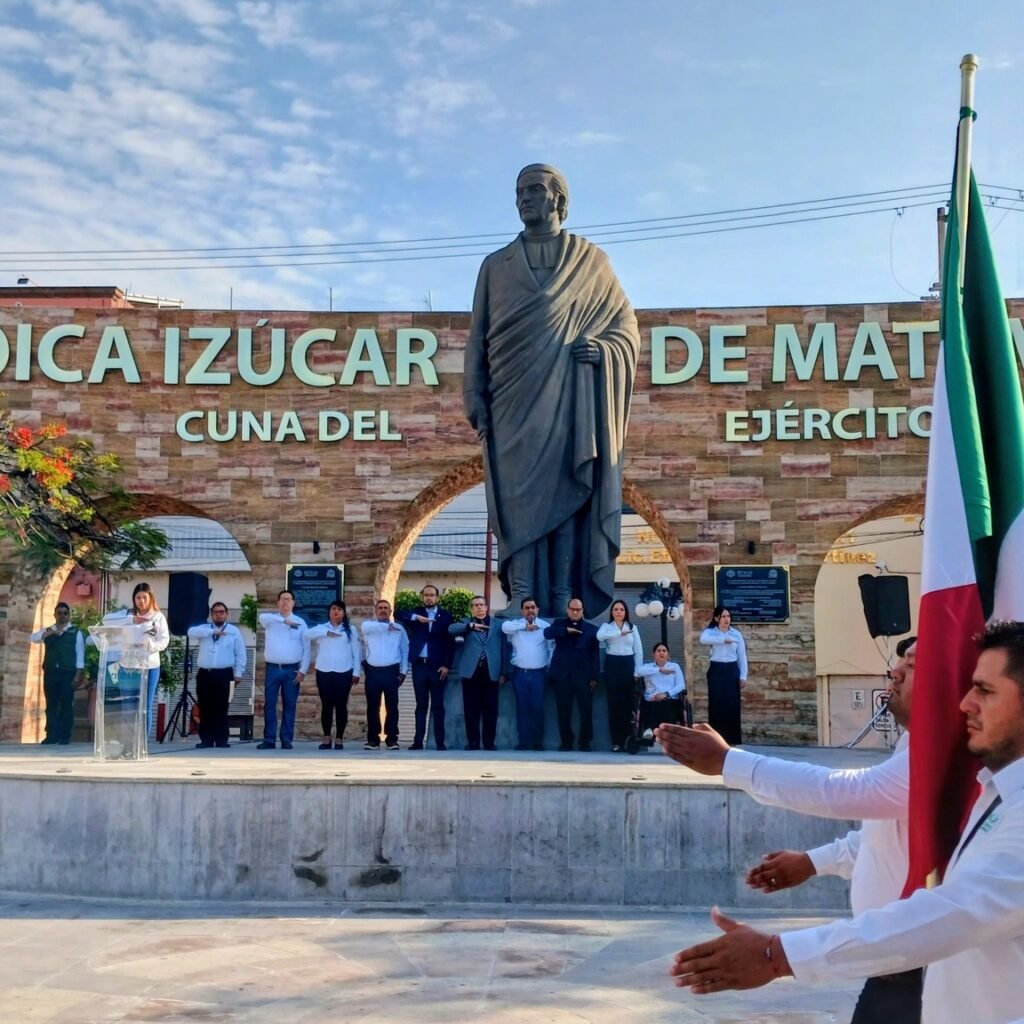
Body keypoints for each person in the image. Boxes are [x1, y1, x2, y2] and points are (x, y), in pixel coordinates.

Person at [666, 622, 1024, 1024]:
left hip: (908, 965)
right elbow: (889, 836)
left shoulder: (972, 778)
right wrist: (815, 862)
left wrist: (778, 954)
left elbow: (957, 910)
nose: (966, 703)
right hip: (903, 968)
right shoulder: (995, 788)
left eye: (985, 690)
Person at [657, 638, 919, 1023]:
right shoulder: (915, 744)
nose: (894, 672)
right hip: (893, 967)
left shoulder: (947, 756)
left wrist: (730, 762)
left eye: (912, 665)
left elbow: (849, 791)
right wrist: (813, 862)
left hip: (918, 971)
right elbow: (887, 832)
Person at [464, 163, 641, 616]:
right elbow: (477, 337)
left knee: (566, 492)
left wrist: (603, 349)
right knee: (518, 499)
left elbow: (625, 327)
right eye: (519, 191)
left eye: (534, 190)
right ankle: (522, 592)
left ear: (558, 200)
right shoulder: (495, 266)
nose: (524, 198)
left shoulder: (591, 262)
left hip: (568, 398)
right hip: (512, 399)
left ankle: (564, 595)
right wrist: (473, 394)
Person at [103, 583, 169, 736]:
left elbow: (164, 641)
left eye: (144, 597)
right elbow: (106, 620)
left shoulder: (157, 617)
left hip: (149, 665)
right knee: (128, 706)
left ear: (150, 598)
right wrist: (132, 620)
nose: (141, 601)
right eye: (138, 598)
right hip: (128, 665)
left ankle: (142, 741)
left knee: (145, 706)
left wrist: (150, 645)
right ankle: (129, 741)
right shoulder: (127, 614)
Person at [396, 585, 456, 751]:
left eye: (432, 595)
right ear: (423, 596)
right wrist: (417, 618)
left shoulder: (445, 615)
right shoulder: (416, 612)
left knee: (438, 705)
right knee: (420, 705)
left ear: (437, 597)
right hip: (419, 666)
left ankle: (439, 742)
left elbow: (450, 642)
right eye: (426, 595)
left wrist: (446, 665)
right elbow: (398, 614)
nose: (429, 598)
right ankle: (418, 741)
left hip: (437, 666)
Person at [449, 595, 507, 751]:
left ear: (487, 607)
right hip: (471, 671)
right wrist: (470, 626)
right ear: (472, 609)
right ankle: (473, 742)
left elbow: (503, 649)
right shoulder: (466, 623)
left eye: (481, 604)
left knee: (491, 709)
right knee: (471, 708)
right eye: (475, 605)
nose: (479, 607)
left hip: (491, 670)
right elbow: (451, 629)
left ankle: (489, 742)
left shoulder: (497, 624)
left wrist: (504, 672)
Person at [302, 600, 362, 750]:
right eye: (333, 609)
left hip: (344, 671)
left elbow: (357, 652)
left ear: (344, 613)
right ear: (329, 612)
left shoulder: (350, 630)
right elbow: (306, 634)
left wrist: (356, 672)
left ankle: (339, 738)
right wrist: (325, 633)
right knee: (327, 705)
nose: (336, 612)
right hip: (324, 671)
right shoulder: (322, 628)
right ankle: (326, 738)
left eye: (339, 609)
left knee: (341, 705)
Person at [187, 601, 246, 750]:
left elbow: (240, 653)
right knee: (205, 707)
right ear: (211, 615)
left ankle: (221, 739)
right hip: (205, 673)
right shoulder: (204, 629)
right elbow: (190, 632)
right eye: (215, 612)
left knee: (222, 707)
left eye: (221, 612)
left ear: (226, 614)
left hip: (224, 673)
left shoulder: (233, 631)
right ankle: (206, 739)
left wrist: (238, 673)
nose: (218, 615)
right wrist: (212, 632)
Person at [544, 598, 600, 752]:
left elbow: (595, 655)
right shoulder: (559, 624)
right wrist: (566, 631)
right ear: (568, 610)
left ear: (582, 611)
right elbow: (547, 633)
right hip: (562, 676)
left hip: (583, 677)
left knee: (586, 711)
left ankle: (585, 742)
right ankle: (566, 742)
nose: (575, 612)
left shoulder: (592, 629)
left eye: (578, 609)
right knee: (563, 711)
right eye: (572, 609)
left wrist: (594, 677)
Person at [257, 590, 307, 750]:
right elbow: (262, 617)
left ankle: (286, 739)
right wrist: (284, 621)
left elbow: (306, 648)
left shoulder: (300, 622)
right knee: (270, 704)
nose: (285, 602)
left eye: (289, 599)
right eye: (283, 599)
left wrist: (303, 670)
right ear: (278, 602)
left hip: (291, 670)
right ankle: (269, 739)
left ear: (294, 603)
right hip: (272, 668)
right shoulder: (270, 620)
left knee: (290, 704)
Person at [502, 597, 553, 751]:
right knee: (522, 707)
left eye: (533, 607)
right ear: (522, 611)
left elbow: (551, 648)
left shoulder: (545, 626)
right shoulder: (516, 625)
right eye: (527, 607)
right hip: (520, 674)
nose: (530, 610)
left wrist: (549, 669)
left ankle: (538, 742)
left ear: (538, 609)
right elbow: (504, 627)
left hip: (539, 674)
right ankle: (523, 742)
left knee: (538, 707)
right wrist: (525, 626)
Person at [30, 601, 85, 745]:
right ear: (55, 615)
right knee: (51, 705)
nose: (62, 616)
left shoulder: (75, 632)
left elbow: (80, 655)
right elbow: (34, 638)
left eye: (65, 613)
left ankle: (65, 736)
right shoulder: (49, 630)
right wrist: (51, 632)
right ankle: (51, 735)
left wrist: (78, 674)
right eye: (59, 613)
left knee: (66, 705)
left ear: (69, 615)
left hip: (67, 673)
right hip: (51, 673)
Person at [361, 598, 409, 751]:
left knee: (392, 707)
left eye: (386, 608)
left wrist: (403, 672)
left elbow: (405, 651)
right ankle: (373, 739)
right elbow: (365, 630)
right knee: (372, 707)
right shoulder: (369, 626)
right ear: (375, 611)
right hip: (373, 671)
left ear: (391, 611)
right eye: (380, 608)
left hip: (391, 671)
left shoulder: (399, 629)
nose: (383, 610)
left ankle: (392, 739)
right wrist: (387, 626)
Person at [597, 600, 643, 751]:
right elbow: (599, 637)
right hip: (612, 664)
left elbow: (638, 651)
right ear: (612, 612)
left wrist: (637, 671)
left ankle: (628, 740)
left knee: (628, 704)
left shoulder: (632, 627)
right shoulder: (607, 626)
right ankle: (616, 741)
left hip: (627, 664)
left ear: (625, 612)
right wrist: (618, 633)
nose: (618, 612)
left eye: (621, 609)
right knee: (613, 704)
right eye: (616, 609)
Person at [699, 605, 747, 744]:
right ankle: (716, 739)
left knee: (732, 704)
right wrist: (722, 640)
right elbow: (703, 639)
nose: (726, 619)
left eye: (728, 616)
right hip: (716, 669)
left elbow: (742, 656)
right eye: (723, 616)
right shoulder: (711, 632)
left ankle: (732, 739)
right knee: (716, 704)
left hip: (731, 669)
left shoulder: (736, 634)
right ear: (717, 618)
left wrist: (743, 676)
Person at [636, 642, 686, 736]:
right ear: (653, 655)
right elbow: (639, 672)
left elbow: (681, 685)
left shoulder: (674, 667)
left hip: (669, 699)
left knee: (668, 704)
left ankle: (661, 731)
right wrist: (659, 670)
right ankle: (650, 731)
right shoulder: (647, 667)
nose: (661, 653)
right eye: (658, 651)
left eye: (664, 651)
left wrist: (666, 694)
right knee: (651, 704)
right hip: (651, 700)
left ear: (668, 654)